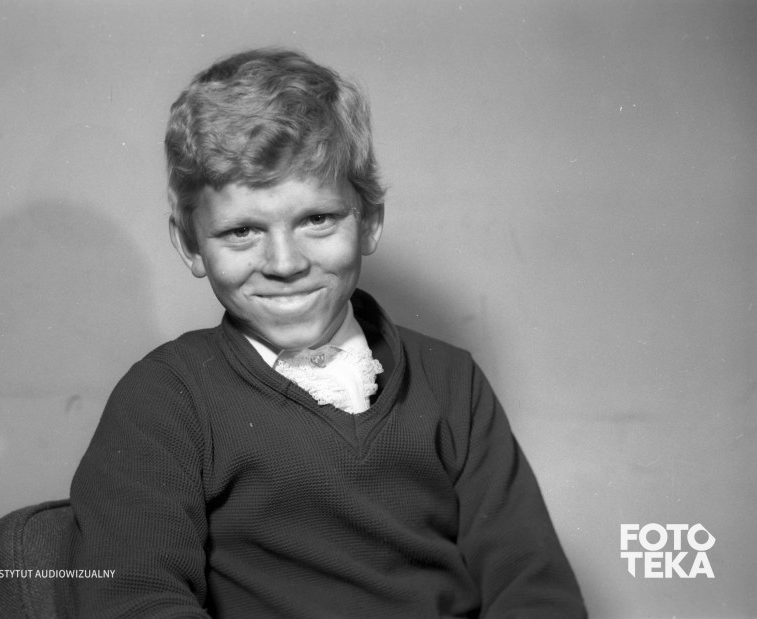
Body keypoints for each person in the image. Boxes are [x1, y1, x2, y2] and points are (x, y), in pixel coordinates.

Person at [69, 47, 586, 618]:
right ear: (191, 245)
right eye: (242, 231)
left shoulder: (451, 382)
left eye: (317, 219)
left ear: (369, 223)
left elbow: (535, 591)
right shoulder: (166, 398)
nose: (285, 263)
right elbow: (132, 599)